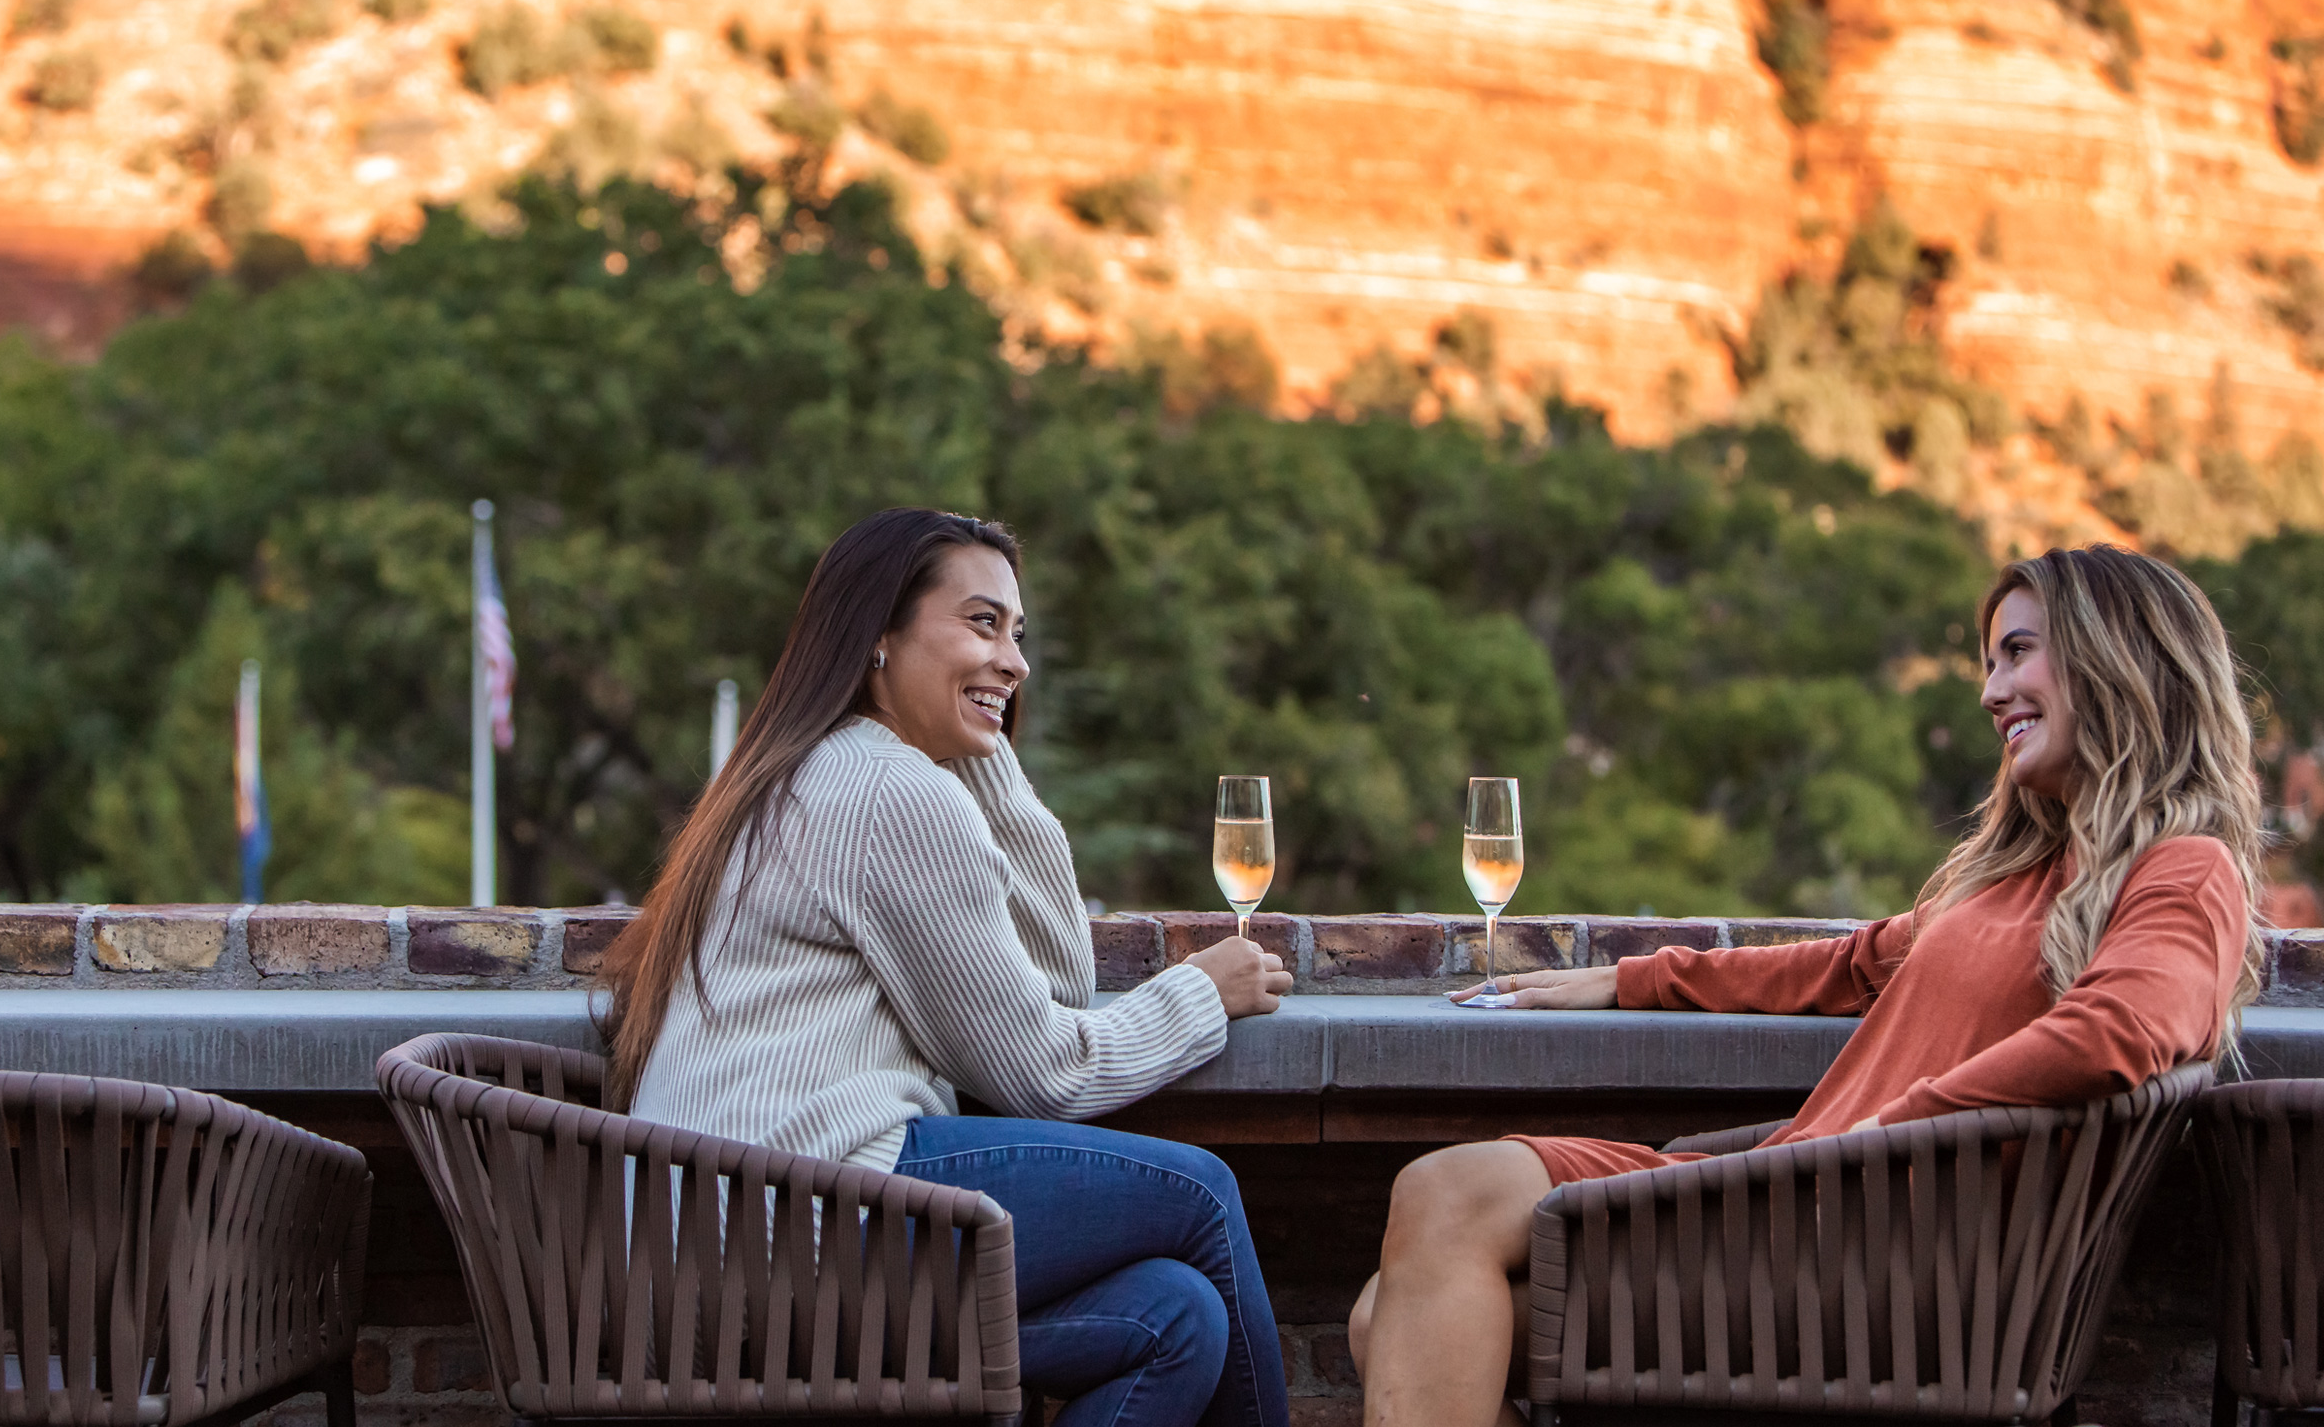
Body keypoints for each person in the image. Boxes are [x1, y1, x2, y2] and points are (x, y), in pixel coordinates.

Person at [1347, 544, 2267, 1427]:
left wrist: (1900, 1122)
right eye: (1990, 664)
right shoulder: (2029, 874)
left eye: (2018, 654)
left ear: (2120, 661)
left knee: (1448, 1210)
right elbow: (1851, 963)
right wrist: (1636, 979)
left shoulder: (2185, 872)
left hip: (1871, 1263)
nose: (1991, 694)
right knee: (1394, 1302)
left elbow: (2119, 1032)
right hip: (1799, 1207)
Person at [604, 507, 1296, 1427]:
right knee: (1201, 1195)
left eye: (1018, 635)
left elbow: (1052, 989)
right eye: (981, 624)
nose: (1014, 661)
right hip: (799, 1221)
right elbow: (1046, 1072)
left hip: (714, 1243)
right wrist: (1200, 994)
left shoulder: (814, 769)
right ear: (880, 637)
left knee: (1176, 1315)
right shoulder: (890, 793)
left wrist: (985, 752)